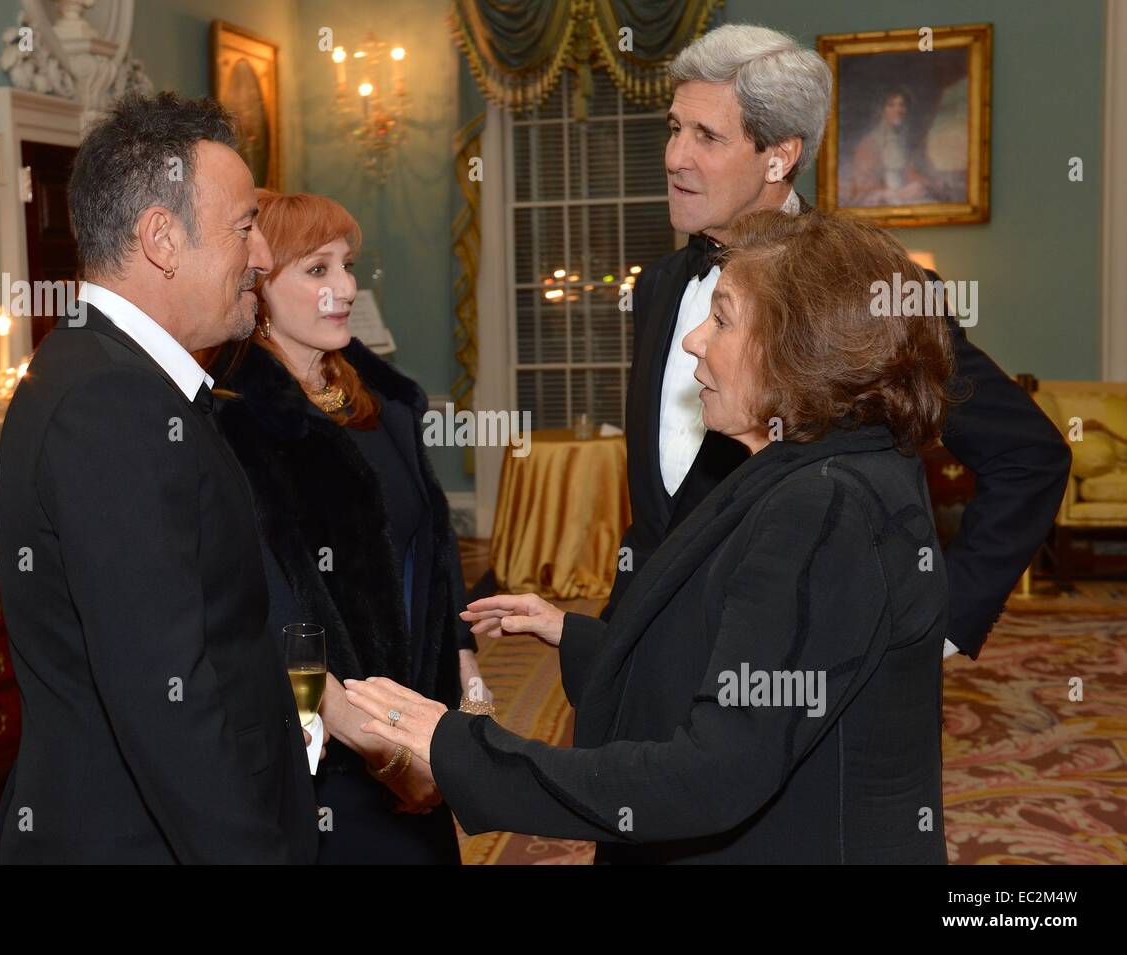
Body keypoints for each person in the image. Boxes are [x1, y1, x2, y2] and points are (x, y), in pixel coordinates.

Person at [347, 210, 955, 864]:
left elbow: (711, 775)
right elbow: (740, 652)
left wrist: (458, 750)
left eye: (722, 318)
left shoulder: (824, 508)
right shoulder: (810, 467)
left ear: (799, 348)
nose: (693, 340)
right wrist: (577, 635)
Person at [601, 23, 1069, 661]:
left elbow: (1030, 457)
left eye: (706, 135)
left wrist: (947, 626)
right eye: (674, 128)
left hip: (797, 674)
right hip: (648, 652)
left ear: (780, 156)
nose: (675, 156)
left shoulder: (871, 292)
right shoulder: (657, 287)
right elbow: (668, 503)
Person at [0, 93, 318, 864]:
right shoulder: (110, 402)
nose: (263, 255)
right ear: (163, 239)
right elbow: (166, 699)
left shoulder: (118, 374)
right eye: (245, 227)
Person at [210, 191, 489, 864]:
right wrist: (381, 754)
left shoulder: (364, 399)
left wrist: (465, 667)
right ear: (260, 288)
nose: (344, 289)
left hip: (419, 718)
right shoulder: (241, 424)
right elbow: (268, 609)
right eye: (316, 270)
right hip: (332, 761)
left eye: (347, 266)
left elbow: (434, 544)